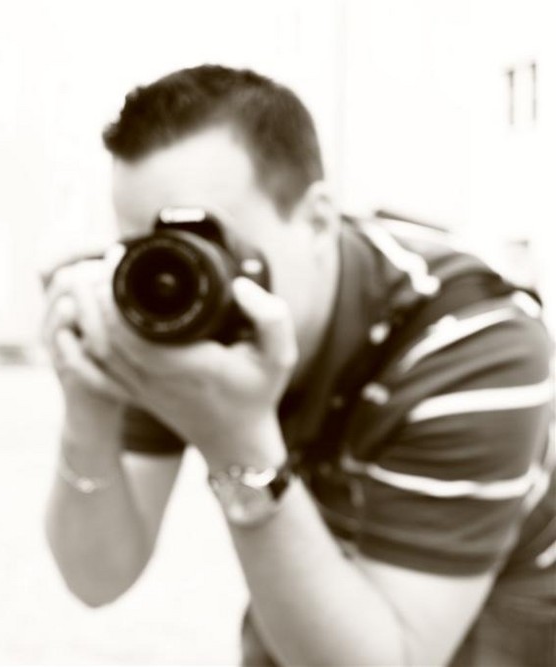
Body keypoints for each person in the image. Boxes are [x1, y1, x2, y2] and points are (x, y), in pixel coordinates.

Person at [42, 64, 555, 666]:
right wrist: (88, 407)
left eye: (207, 246)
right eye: (144, 251)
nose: (175, 280)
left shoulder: (474, 340)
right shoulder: (170, 315)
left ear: (316, 218)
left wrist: (236, 442)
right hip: (315, 533)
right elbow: (98, 578)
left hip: (507, 584)